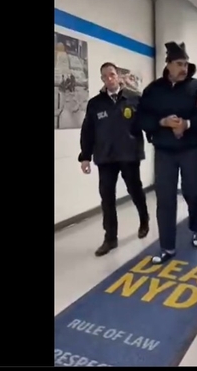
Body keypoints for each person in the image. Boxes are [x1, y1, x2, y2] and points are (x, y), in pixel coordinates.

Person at [137, 42, 197, 264]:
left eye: (186, 64)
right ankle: (167, 247)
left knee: (194, 192)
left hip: (193, 150)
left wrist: (187, 124)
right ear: (168, 65)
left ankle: (196, 227)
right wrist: (162, 122)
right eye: (179, 64)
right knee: (165, 199)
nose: (184, 68)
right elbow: (141, 118)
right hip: (165, 152)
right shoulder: (153, 90)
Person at [78, 62, 149, 257]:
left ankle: (144, 220)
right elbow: (87, 131)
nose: (109, 79)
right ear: (102, 79)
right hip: (105, 157)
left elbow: (147, 122)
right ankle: (110, 238)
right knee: (107, 197)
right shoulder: (95, 104)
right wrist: (85, 157)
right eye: (105, 76)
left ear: (118, 75)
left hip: (129, 154)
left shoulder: (134, 98)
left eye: (112, 74)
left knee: (135, 190)